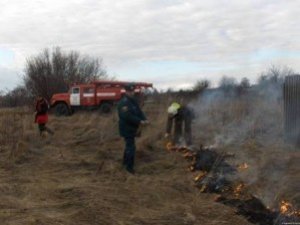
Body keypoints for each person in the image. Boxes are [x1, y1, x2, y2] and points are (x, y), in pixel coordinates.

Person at [117, 83, 149, 174]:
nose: (131, 93)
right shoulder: (124, 102)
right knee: (131, 147)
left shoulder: (133, 101)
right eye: (129, 91)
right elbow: (127, 116)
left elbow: (139, 111)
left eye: (132, 91)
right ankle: (129, 168)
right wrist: (140, 121)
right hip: (126, 128)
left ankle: (125, 163)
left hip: (132, 128)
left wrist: (144, 119)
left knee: (129, 146)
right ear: (126, 91)